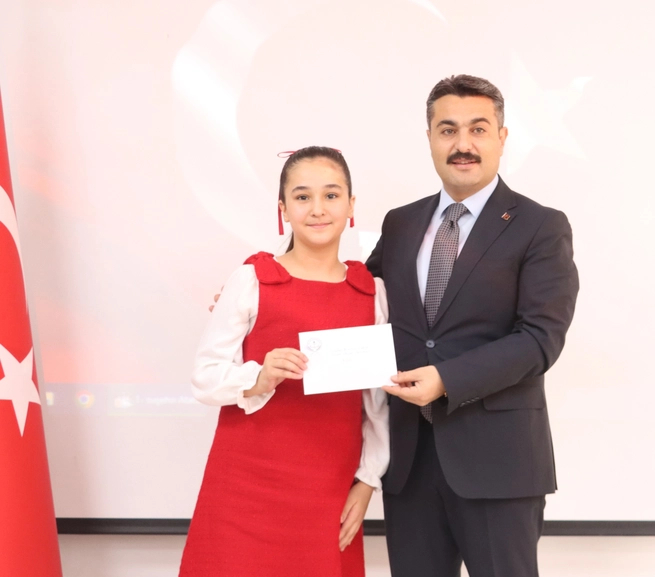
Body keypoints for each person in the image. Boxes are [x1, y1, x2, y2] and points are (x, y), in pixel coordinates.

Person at [367, 75, 579, 577]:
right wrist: (260, 294)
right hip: (410, 463)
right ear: (430, 138)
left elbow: (540, 339)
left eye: (478, 129)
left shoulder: (540, 225)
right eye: (448, 130)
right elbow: (354, 299)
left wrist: (446, 379)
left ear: (502, 138)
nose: (463, 144)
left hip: (499, 465)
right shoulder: (400, 223)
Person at [181, 146, 389, 577]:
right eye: (302, 196)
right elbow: (205, 377)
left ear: (351, 205)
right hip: (244, 487)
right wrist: (259, 377)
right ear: (283, 209)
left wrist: (368, 481)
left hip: (328, 488)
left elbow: (377, 404)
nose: (318, 209)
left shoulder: (371, 292)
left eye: (331, 195)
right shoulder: (252, 280)